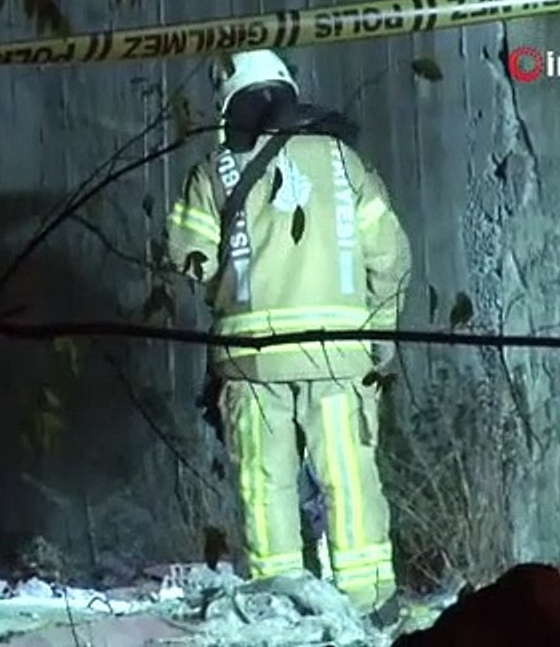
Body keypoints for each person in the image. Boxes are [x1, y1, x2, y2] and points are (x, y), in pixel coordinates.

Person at [166, 49, 412, 620]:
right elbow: (391, 255)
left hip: (252, 365)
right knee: (349, 480)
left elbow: (188, 260)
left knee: (265, 482)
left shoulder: (214, 172)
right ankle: (369, 603)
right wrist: (380, 333)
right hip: (338, 359)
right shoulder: (344, 162)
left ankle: (278, 603)